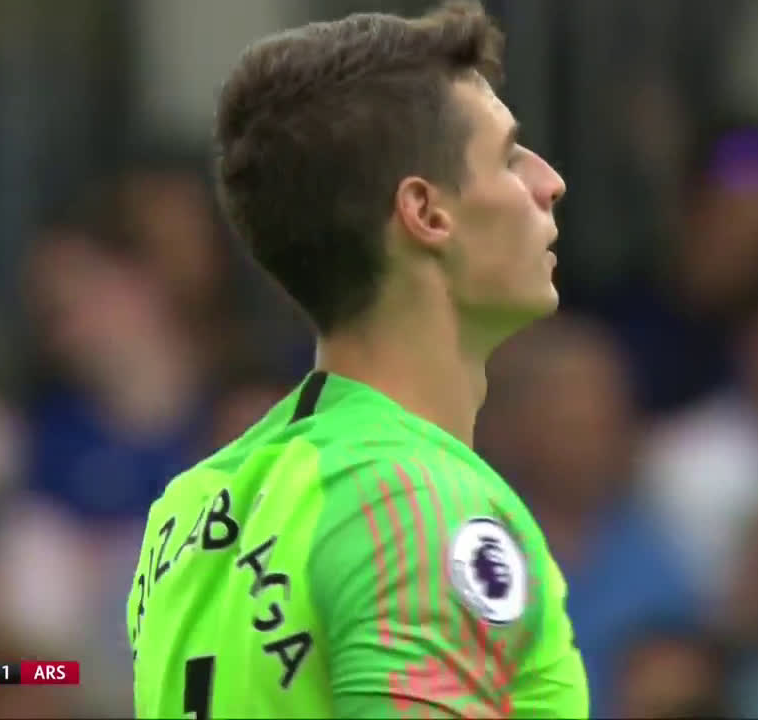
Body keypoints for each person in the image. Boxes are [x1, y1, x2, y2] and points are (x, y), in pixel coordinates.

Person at [126, 1, 583, 718]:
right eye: (507, 157)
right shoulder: (416, 502)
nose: (549, 181)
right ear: (426, 213)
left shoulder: (187, 509)